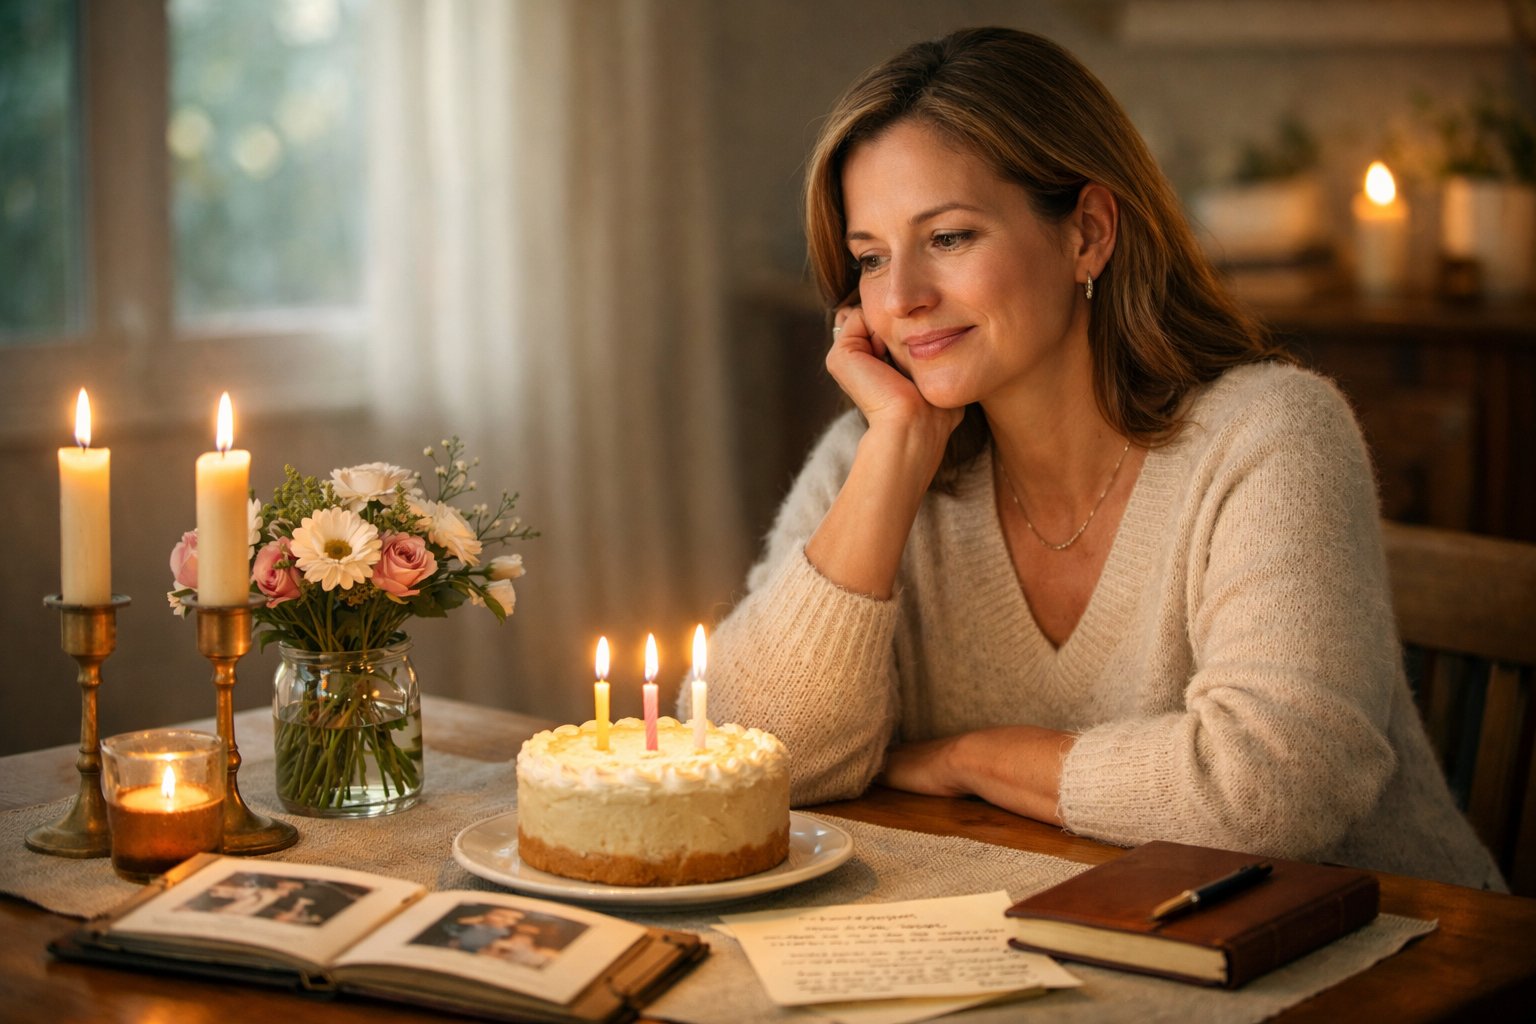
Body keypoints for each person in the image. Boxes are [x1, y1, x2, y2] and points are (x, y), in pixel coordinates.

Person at [689, 27, 1503, 890]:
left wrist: (974, 760)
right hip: (1078, 941)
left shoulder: (1272, 434)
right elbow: (754, 760)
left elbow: (1277, 787)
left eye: (951, 237)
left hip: (1392, 955)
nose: (903, 300)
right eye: (871, 258)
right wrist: (892, 455)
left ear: (1087, 233)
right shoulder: (873, 450)